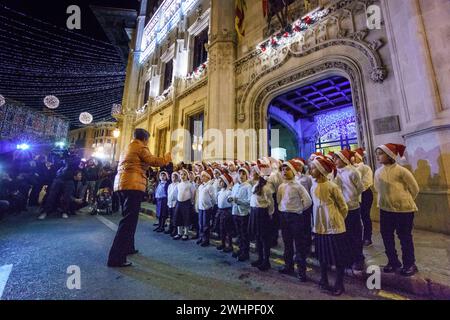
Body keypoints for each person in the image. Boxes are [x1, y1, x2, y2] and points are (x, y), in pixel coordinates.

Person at [107, 128, 171, 268]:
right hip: (132, 185)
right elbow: (153, 161)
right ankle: (116, 258)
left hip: (124, 184)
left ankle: (128, 247)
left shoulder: (129, 147)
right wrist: (166, 158)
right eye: (148, 140)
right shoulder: (140, 146)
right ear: (144, 139)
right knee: (128, 222)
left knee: (129, 219)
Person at [374, 143, 420, 277]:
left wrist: (403, 200)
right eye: (377, 154)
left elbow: (414, 188)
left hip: (403, 211)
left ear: (390, 155)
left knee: (404, 237)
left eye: (380, 153)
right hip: (385, 209)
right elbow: (378, 189)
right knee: (386, 236)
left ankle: (409, 263)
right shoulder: (378, 172)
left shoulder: (401, 171)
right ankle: (393, 262)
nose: (378, 156)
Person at [309, 157, 351, 296]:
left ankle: (339, 283)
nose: (311, 170)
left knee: (337, 256)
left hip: (333, 226)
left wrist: (335, 219)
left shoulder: (332, 186)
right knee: (322, 255)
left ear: (321, 170)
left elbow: (343, 206)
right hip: (319, 226)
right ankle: (324, 279)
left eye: (314, 168)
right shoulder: (313, 185)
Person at [277, 160, 313, 282]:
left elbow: (308, 201)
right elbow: (279, 199)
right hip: (284, 216)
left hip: (296, 218)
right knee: (287, 244)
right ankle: (288, 266)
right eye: (283, 170)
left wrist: (299, 210)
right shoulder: (281, 186)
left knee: (299, 245)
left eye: (287, 169)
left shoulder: (298, 186)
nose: (284, 172)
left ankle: (301, 271)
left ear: (293, 171)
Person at [333, 149, 365, 271]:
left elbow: (360, 188)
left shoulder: (353, 172)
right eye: (334, 159)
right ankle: (347, 258)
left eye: (337, 158)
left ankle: (358, 258)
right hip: (340, 208)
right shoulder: (335, 173)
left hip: (352, 207)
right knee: (344, 234)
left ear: (344, 160)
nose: (335, 161)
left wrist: (351, 198)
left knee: (355, 234)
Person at [249, 163, 274, 271]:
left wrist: (269, 214)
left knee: (264, 238)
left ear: (258, 173)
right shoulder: (255, 185)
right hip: (255, 213)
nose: (251, 173)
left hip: (262, 214)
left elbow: (270, 203)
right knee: (258, 238)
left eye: (253, 171)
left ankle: (266, 261)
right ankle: (260, 258)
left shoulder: (266, 188)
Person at [229, 166, 252, 262]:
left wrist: (238, 201)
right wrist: (230, 198)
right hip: (235, 212)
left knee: (244, 234)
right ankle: (240, 249)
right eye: (240, 174)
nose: (241, 176)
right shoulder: (236, 186)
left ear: (247, 175)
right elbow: (232, 195)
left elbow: (249, 201)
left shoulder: (248, 186)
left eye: (243, 174)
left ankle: (245, 252)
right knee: (239, 233)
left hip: (243, 213)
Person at [353, 148, 374, 247]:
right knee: (356, 218)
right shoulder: (352, 168)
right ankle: (358, 237)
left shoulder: (366, 168)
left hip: (365, 194)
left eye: (355, 156)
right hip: (355, 195)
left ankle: (367, 237)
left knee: (365, 216)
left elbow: (367, 182)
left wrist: (356, 188)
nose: (353, 158)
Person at [173, 169, 195, 241]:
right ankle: (179, 233)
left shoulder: (189, 184)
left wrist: (191, 202)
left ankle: (186, 233)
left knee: (186, 218)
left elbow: (192, 194)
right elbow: (176, 194)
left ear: (187, 176)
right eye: (181, 174)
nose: (183, 176)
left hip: (186, 203)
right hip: (179, 203)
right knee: (178, 217)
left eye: (184, 174)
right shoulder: (178, 184)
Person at [197, 168, 217, 247]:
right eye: (201, 176)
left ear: (208, 177)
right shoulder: (201, 186)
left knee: (206, 224)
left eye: (203, 176)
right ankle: (201, 237)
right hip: (201, 207)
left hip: (206, 208)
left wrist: (210, 205)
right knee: (201, 223)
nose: (201, 178)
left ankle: (206, 239)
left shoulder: (210, 186)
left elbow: (213, 198)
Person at [216, 172, 234, 253]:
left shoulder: (229, 192)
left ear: (226, 182)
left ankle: (230, 245)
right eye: (219, 181)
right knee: (222, 229)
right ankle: (223, 243)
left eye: (221, 181)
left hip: (227, 212)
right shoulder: (220, 192)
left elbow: (231, 202)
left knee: (228, 229)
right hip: (220, 211)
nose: (220, 183)